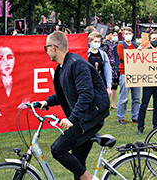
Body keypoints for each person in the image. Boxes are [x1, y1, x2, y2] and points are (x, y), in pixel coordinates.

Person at [36, 31, 110, 180]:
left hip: (90, 118)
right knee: (78, 165)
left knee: (58, 149)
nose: (46, 51)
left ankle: (90, 179)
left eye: (46, 48)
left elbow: (86, 95)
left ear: (54, 47)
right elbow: (65, 94)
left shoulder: (77, 65)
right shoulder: (63, 67)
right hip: (83, 117)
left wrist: (72, 118)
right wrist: (47, 102)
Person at [137, 31, 157, 134]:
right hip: (148, 84)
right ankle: (140, 127)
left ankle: (156, 126)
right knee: (144, 105)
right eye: (153, 39)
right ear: (149, 40)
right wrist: (138, 52)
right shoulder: (145, 52)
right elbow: (136, 62)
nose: (155, 41)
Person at [117, 26, 141, 124]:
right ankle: (121, 117)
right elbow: (124, 57)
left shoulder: (135, 45)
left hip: (135, 73)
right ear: (123, 35)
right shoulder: (121, 46)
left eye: (129, 34)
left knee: (136, 98)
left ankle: (135, 116)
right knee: (124, 98)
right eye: (126, 34)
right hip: (124, 73)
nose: (128, 35)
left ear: (132, 34)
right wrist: (137, 52)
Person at [88, 32, 112, 96]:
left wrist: (108, 86)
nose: (97, 43)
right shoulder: (87, 55)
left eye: (99, 41)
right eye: (95, 41)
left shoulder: (103, 55)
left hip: (101, 84)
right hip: (90, 84)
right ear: (90, 42)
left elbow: (108, 70)